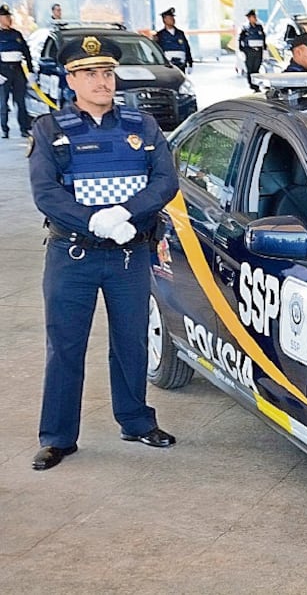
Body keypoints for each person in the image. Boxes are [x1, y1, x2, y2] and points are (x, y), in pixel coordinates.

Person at [27, 35, 179, 471]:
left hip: (129, 254)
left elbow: (164, 181)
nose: (102, 82)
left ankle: (135, 420)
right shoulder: (49, 129)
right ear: (70, 79)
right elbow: (46, 193)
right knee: (65, 345)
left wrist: (127, 214)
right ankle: (57, 437)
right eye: (90, 74)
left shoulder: (142, 126)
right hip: (71, 254)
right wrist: (94, 220)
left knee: (131, 341)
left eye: (107, 73)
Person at [0, 4, 33, 138]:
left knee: (20, 102)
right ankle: (5, 129)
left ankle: (24, 128)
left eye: (9, 16)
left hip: (18, 70)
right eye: (6, 16)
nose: (9, 19)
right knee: (3, 103)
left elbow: (26, 51)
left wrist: (31, 70)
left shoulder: (16, 34)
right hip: (3, 71)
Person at [154, 7, 193, 72]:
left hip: (181, 65)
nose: (173, 19)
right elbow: (156, 51)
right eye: (170, 18)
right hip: (167, 66)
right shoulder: (160, 35)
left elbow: (187, 48)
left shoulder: (180, 33)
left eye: (173, 18)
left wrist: (190, 63)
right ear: (164, 20)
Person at [239, 9, 266, 92]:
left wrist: (264, 47)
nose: (255, 18)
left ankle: (257, 84)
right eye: (253, 17)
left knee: (257, 68)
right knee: (250, 68)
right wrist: (242, 49)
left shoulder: (259, 27)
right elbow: (241, 39)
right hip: (249, 51)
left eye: (255, 17)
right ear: (249, 18)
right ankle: (252, 85)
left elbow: (263, 37)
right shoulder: (245, 28)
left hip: (258, 51)